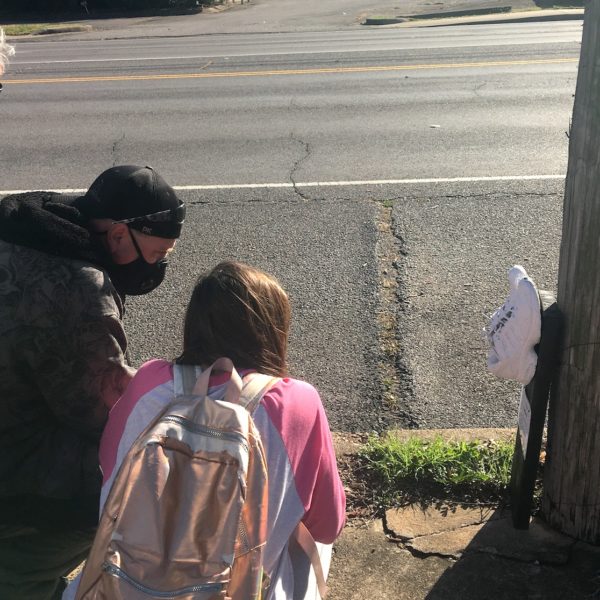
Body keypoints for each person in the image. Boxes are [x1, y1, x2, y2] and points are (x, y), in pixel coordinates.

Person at [66, 261, 346, 599]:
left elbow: (110, 470)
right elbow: (328, 524)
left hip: (122, 585)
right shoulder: (294, 402)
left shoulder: (148, 382)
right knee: (309, 545)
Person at [0, 165, 186, 600]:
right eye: (157, 254)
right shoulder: (80, 290)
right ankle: (26, 578)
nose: (156, 267)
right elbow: (104, 414)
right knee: (137, 471)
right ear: (119, 236)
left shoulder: (22, 230)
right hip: (19, 474)